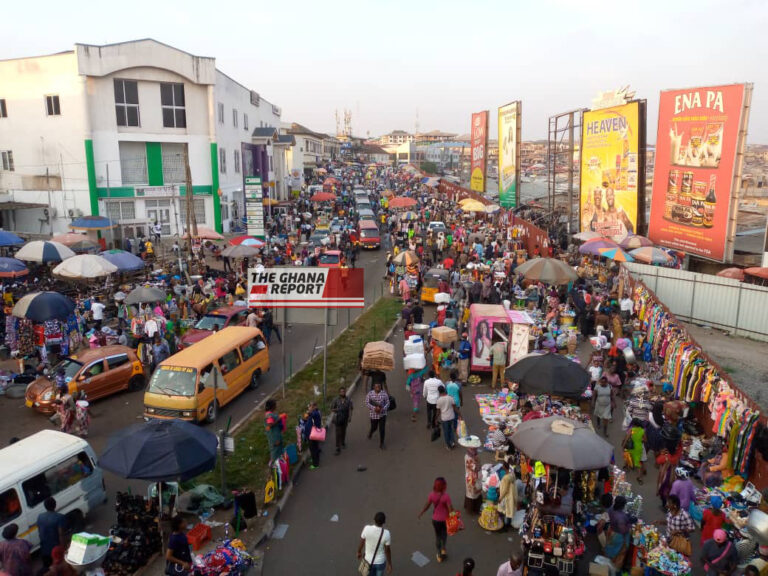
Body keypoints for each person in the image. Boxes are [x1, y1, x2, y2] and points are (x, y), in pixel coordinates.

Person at [418, 477, 453, 563]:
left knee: (437, 536)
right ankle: (444, 549)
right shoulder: (446, 496)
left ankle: (439, 554)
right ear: (444, 486)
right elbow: (450, 509)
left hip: (435, 520)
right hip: (444, 520)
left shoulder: (432, 495)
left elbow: (427, 505)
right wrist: (455, 517)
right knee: (444, 534)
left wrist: (421, 512)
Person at [36, 497, 67, 570]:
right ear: (55, 505)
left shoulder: (40, 516)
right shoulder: (59, 517)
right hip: (56, 550)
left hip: (44, 549)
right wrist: (63, 549)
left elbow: (40, 531)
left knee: (48, 569)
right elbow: (61, 535)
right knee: (59, 570)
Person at [365, 382, 390, 450]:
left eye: (379, 386)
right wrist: (374, 408)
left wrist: (382, 409)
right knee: (374, 427)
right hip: (373, 415)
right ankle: (371, 432)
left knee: (382, 429)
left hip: (382, 415)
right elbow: (367, 403)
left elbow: (388, 403)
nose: (378, 388)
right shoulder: (370, 394)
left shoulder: (384, 394)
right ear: (374, 387)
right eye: (376, 387)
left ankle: (382, 443)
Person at [622, 417, 647, 484]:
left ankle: (626, 467)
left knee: (628, 456)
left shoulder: (632, 430)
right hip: (639, 448)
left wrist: (624, 445)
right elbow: (645, 440)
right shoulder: (642, 430)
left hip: (631, 447)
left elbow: (627, 438)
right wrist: (640, 439)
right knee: (638, 462)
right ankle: (639, 477)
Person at [436, 385, 460, 450]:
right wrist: (460, 415)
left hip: (444, 418)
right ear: (444, 390)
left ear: (439, 392)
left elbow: (438, 411)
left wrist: (436, 419)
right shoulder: (450, 398)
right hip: (451, 417)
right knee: (451, 430)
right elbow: (455, 408)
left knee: (446, 432)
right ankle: (452, 442)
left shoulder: (438, 400)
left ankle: (448, 445)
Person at [330, 386, 352, 455]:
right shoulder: (335, 400)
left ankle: (343, 442)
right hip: (338, 419)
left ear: (345, 392)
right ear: (339, 392)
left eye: (344, 391)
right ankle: (337, 448)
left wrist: (350, 417)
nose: (343, 393)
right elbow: (331, 408)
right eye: (341, 391)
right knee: (338, 433)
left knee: (343, 432)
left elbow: (351, 409)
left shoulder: (348, 400)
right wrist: (337, 410)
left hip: (345, 419)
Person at [302, 401, 323, 469]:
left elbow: (307, 415)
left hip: (312, 434)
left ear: (315, 406)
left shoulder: (315, 413)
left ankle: (315, 464)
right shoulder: (314, 413)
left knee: (313, 448)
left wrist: (308, 412)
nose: (309, 407)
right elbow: (305, 418)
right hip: (311, 434)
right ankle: (315, 459)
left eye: (311, 406)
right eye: (309, 406)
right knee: (315, 448)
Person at [264, 399, 284, 463]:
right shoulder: (269, 415)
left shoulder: (270, 414)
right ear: (272, 406)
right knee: (275, 452)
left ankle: (279, 467)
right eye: (275, 405)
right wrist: (278, 420)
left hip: (276, 435)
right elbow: (270, 425)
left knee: (279, 451)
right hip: (274, 438)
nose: (276, 406)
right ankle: (273, 467)